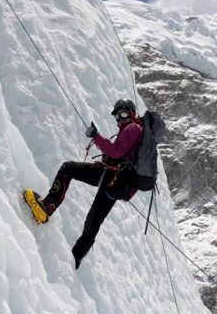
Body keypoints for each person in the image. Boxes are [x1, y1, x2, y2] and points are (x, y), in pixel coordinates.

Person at [24, 99, 143, 269]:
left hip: (111, 176)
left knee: (68, 169)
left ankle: (48, 206)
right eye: (117, 116)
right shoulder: (134, 130)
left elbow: (116, 152)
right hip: (117, 184)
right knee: (93, 222)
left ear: (132, 113)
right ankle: (75, 259)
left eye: (123, 114)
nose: (120, 119)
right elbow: (120, 153)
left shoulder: (133, 128)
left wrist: (96, 136)